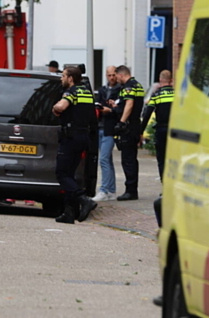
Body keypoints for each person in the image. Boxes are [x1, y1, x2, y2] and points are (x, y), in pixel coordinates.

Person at [51, 66, 98, 224]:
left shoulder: (71, 92)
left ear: (71, 78)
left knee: (62, 173)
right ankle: (69, 213)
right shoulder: (87, 92)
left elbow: (61, 107)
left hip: (70, 138)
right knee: (70, 175)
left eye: (63, 76)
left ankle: (84, 200)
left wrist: (55, 108)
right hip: (83, 136)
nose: (61, 78)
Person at [113, 65, 145, 201]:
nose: (116, 79)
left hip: (129, 126)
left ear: (121, 75)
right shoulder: (138, 85)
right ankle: (132, 189)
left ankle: (130, 191)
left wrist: (121, 122)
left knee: (128, 160)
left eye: (116, 76)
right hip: (135, 125)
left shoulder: (128, 87)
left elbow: (130, 104)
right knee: (131, 159)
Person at [92, 65, 121, 202]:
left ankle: (104, 190)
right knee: (107, 160)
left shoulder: (121, 90)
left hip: (110, 128)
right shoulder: (102, 90)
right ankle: (111, 190)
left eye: (114, 75)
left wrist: (111, 109)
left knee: (103, 159)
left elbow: (120, 108)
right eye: (109, 75)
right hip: (100, 127)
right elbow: (97, 104)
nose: (112, 78)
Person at [141, 70, 174, 181]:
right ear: (171, 81)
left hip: (161, 130)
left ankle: (165, 187)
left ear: (160, 80)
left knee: (162, 159)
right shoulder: (177, 94)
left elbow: (147, 114)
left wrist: (140, 131)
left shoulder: (156, 95)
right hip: (174, 131)